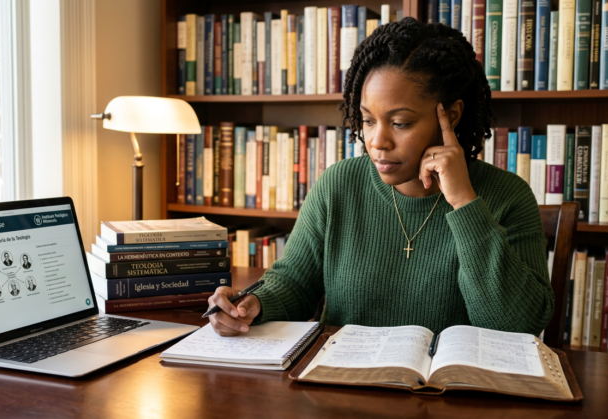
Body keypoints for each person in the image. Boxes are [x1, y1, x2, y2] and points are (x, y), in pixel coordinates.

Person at [207, 18, 553, 337]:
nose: (377, 142)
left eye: (400, 123)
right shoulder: (339, 185)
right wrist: (253, 305)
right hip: (343, 385)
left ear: (451, 114)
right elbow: (294, 283)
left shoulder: (508, 196)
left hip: (452, 396)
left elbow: (517, 327)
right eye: (368, 120)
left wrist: (464, 202)